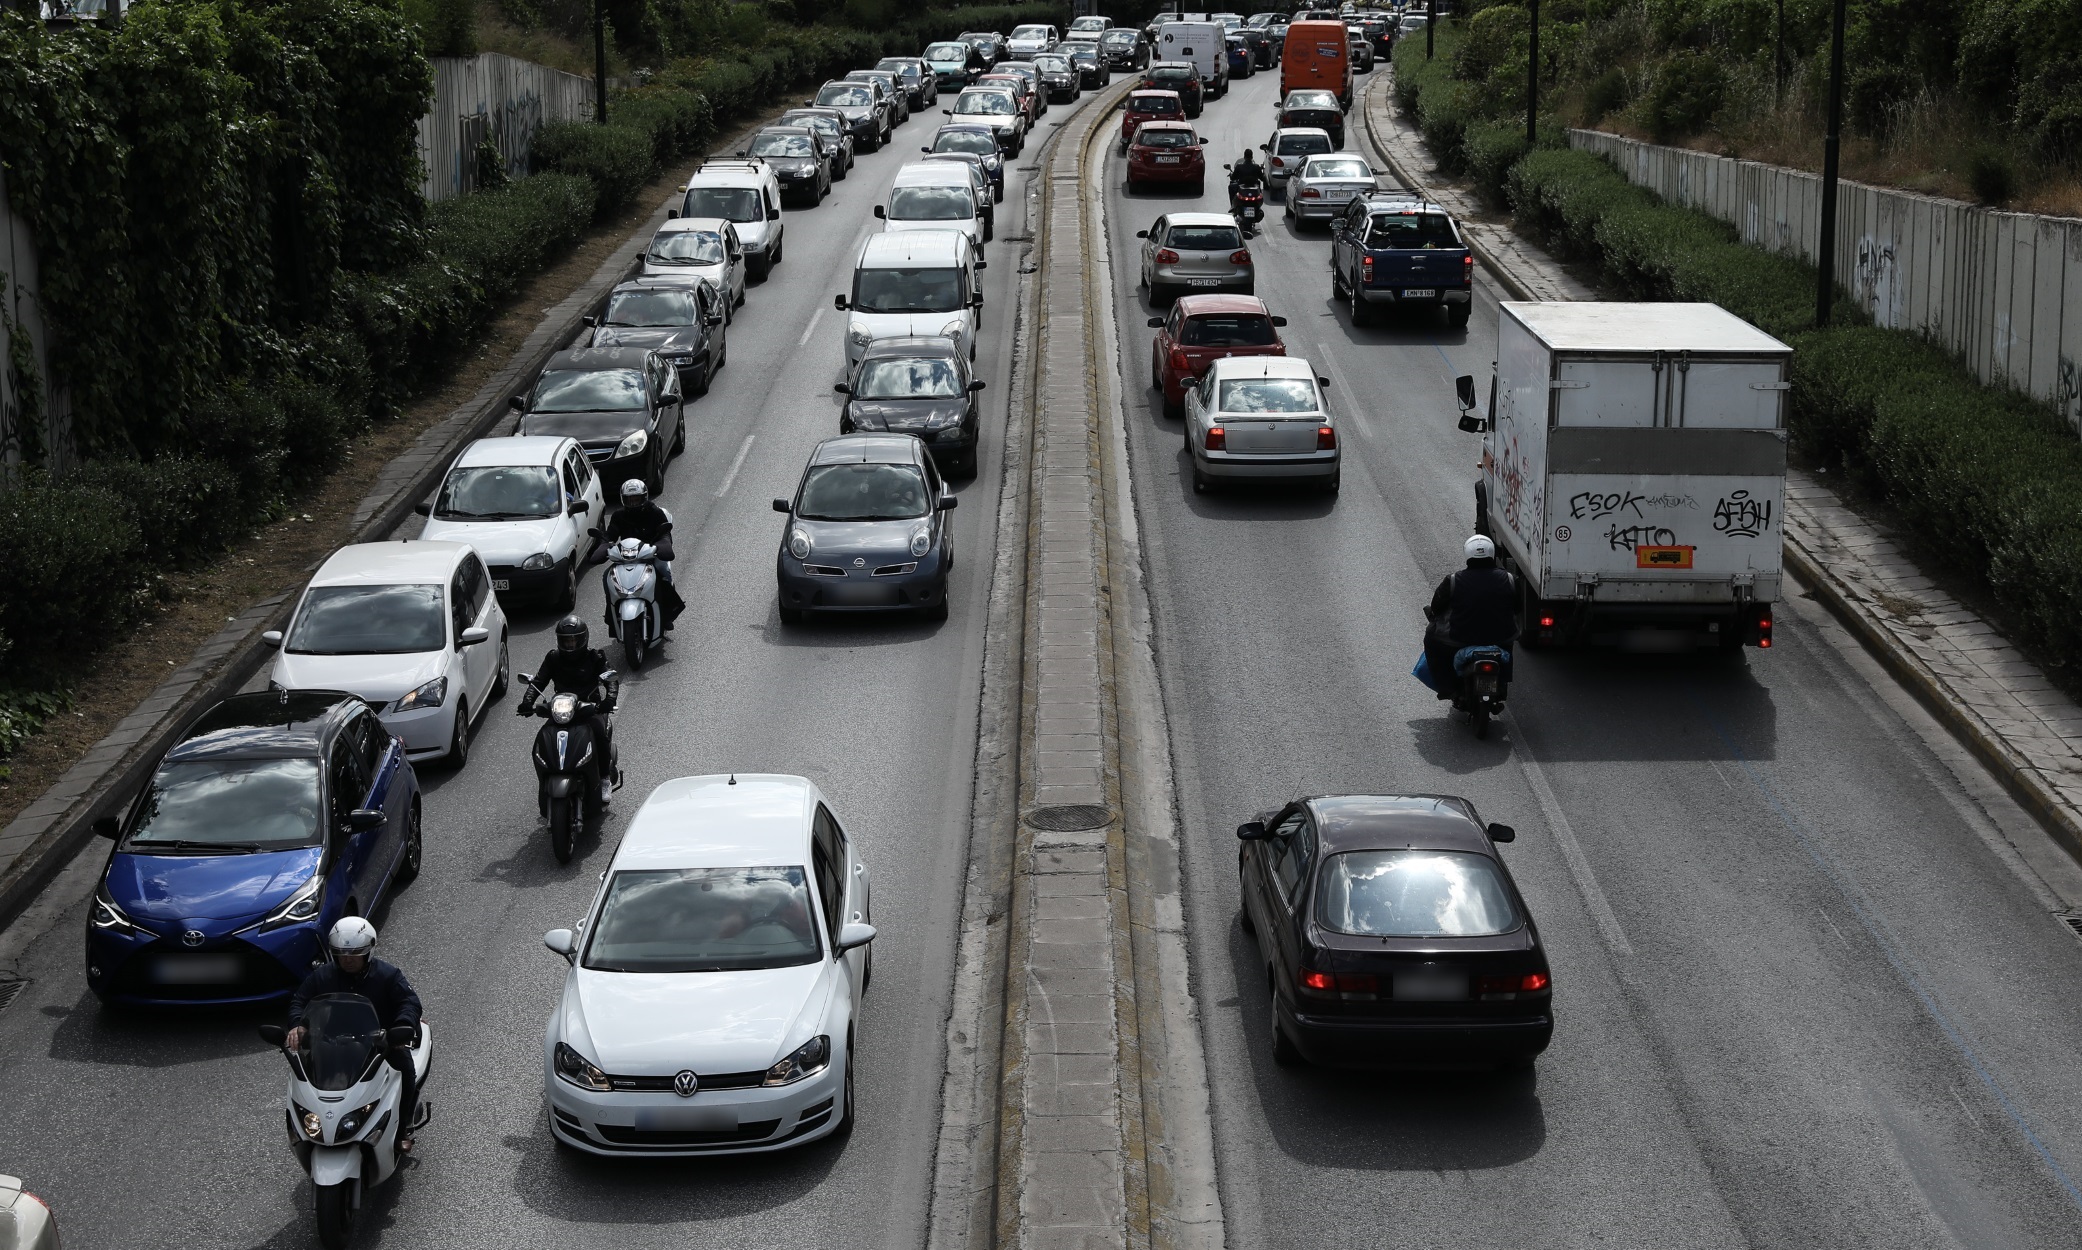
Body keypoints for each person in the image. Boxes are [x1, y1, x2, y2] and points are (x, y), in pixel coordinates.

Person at [285, 918, 427, 1153]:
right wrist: (297, 1025)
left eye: (354, 953)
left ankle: (404, 1127)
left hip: (381, 1042)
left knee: (406, 1072)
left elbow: (409, 1002)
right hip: (335, 1041)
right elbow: (300, 1000)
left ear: (368, 951)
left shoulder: (388, 975)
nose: (347, 959)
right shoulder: (324, 975)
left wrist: (400, 1027)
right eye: (341, 953)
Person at [518, 616, 620, 803]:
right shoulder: (553, 657)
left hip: (589, 708)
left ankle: (605, 778)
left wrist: (609, 699)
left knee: (599, 733)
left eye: (573, 640)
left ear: (583, 639)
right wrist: (527, 702)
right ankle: (546, 779)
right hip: (562, 708)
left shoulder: (594, 657)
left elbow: (611, 680)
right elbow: (539, 681)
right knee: (543, 738)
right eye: (566, 641)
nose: (570, 645)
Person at [1423, 535, 1520, 699]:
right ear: (1492, 554)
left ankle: (1447, 688)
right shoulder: (1510, 579)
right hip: (1501, 638)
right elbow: (1517, 608)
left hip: (1459, 639)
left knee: (1430, 640)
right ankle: (1502, 683)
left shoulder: (1453, 580)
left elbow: (1436, 607)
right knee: (1509, 642)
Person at [602, 479, 686, 630]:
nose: (633, 503)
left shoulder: (655, 512)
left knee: (664, 572)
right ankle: (611, 612)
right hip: (626, 558)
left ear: (644, 497)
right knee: (607, 576)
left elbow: (665, 533)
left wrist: (662, 544)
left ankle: (666, 613)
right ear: (623, 499)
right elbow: (611, 534)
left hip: (651, 555)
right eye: (630, 499)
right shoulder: (618, 515)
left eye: (636, 499)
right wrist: (604, 544)